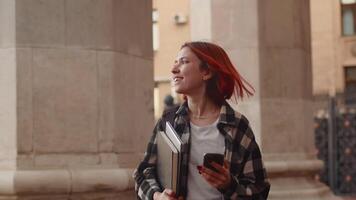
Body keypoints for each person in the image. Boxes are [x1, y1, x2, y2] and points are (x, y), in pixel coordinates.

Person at [133, 41, 270, 200]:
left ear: (206, 72)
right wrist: (157, 197)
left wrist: (229, 184)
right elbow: (143, 173)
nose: (173, 69)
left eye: (184, 62)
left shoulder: (237, 125)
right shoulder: (168, 120)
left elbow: (260, 190)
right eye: (175, 62)